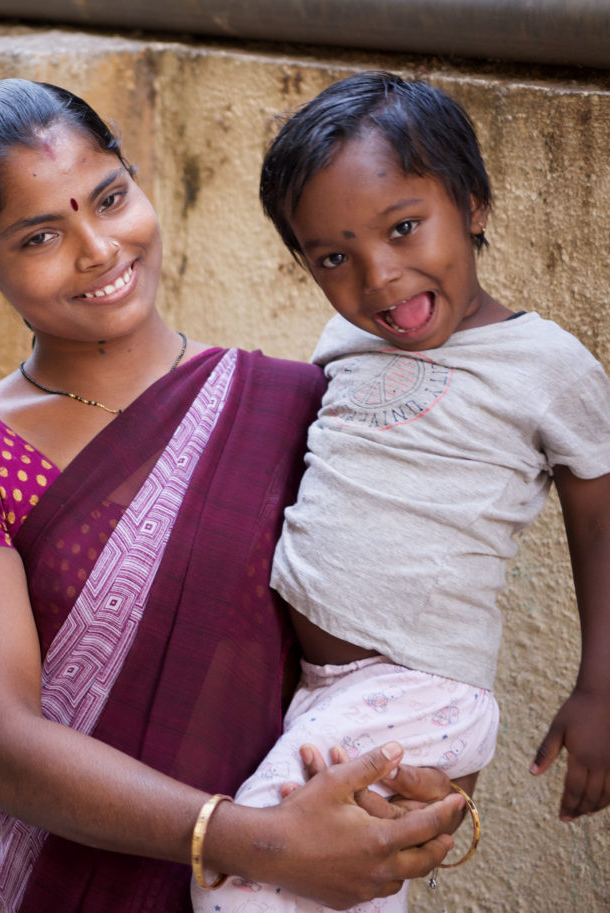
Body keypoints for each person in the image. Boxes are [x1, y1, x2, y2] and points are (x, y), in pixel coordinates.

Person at [0, 77, 468, 913]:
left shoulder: (299, 405)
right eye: (41, 234)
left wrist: (403, 796)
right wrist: (254, 840)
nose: (98, 249)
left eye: (111, 198)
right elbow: (0, 750)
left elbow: (371, 661)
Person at [193, 71, 610, 913]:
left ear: (475, 204)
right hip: (313, 684)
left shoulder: (546, 365)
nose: (379, 278)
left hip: (415, 689)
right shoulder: (345, 336)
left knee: (241, 884)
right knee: (339, 889)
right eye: (336, 258)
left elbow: (600, 522)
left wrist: (601, 686)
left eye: (406, 227)